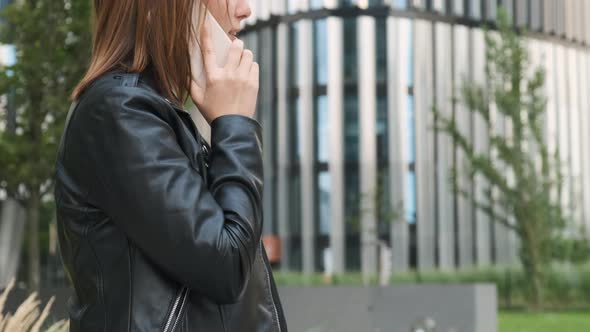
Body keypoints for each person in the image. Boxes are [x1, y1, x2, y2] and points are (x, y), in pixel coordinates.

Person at [53, 0, 287, 331]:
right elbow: (226, 264)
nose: (245, 9)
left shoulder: (151, 113)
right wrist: (234, 124)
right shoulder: (119, 111)